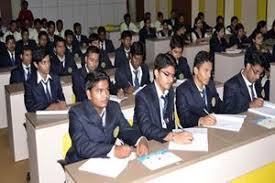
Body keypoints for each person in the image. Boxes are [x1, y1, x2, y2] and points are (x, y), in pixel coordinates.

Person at [65, 71, 149, 164]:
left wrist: (140, 140)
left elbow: (126, 129)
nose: (105, 95)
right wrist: (113, 150)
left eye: (107, 90)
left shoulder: (114, 107)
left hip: (106, 162)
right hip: (80, 163)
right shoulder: (77, 113)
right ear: (89, 94)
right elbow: (82, 146)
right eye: (100, 91)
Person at [134, 53, 193, 143]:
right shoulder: (143, 96)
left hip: (168, 141)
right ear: (156, 73)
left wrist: (178, 134)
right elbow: (146, 128)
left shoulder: (170, 92)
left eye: (173, 75)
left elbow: (170, 121)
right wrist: (172, 136)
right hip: (150, 142)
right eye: (167, 74)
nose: (171, 80)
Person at [176, 51, 223, 128]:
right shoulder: (182, 90)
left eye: (211, 71)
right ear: (196, 70)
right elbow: (184, 119)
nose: (209, 75)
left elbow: (219, 106)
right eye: (206, 70)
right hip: (193, 131)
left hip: (212, 128)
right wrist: (200, 120)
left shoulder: (210, 85)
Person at [24, 48, 66, 112]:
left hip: (57, 114)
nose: (48, 65)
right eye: (44, 62)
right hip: (40, 119)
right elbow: (30, 107)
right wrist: (49, 108)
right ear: (36, 64)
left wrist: (62, 102)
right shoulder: (30, 84)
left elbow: (61, 97)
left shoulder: (55, 78)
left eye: (48, 61)